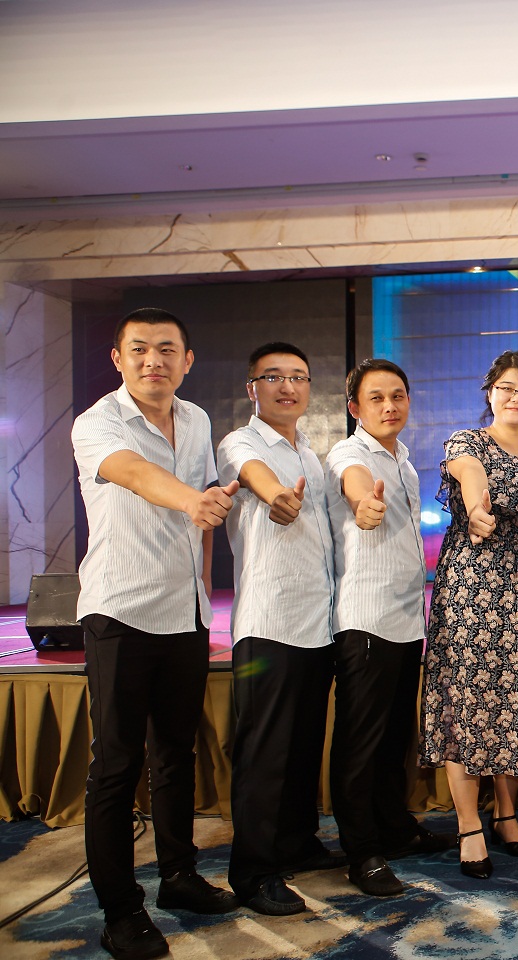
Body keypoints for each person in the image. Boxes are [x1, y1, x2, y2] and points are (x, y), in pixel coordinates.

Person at [73, 307, 240, 960]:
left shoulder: (195, 419)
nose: (154, 361)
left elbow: (205, 510)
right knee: (116, 765)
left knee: (175, 754)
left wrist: (204, 599)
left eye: (167, 349)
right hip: (120, 611)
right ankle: (121, 910)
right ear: (118, 359)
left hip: (184, 614)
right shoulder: (98, 423)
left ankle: (178, 875)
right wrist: (193, 500)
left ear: (187, 360)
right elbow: (133, 472)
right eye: (139, 349)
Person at [420, 351, 518, 879]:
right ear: (489, 393)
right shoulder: (468, 442)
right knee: (468, 698)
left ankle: (505, 813)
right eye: (506, 387)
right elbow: (469, 474)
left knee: (517, 699)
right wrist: (478, 507)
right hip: (471, 588)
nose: (516, 397)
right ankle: (468, 825)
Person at [325, 359, 455, 898]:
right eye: (375, 398)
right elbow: (356, 487)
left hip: (404, 620)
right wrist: (364, 505)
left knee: (393, 737)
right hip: (365, 619)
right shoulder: (349, 453)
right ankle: (361, 851)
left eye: (397, 395)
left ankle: (393, 828)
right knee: (361, 741)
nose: (389, 406)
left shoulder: (403, 461)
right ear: (355, 407)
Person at [219, 342, 341, 915]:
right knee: (264, 753)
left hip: (316, 624)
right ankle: (253, 872)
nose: (287, 387)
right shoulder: (239, 443)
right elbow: (258, 478)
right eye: (273, 377)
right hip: (268, 623)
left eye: (298, 377)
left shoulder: (311, 454)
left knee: (301, 747)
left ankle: (296, 843)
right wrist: (277, 499)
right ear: (253, 388)